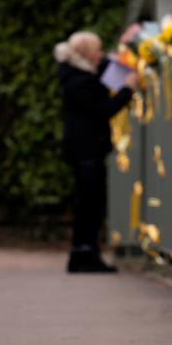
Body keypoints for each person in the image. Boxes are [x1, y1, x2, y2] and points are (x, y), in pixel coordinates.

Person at [54, 29, 136, 273]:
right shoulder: (79, 81)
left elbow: (103, 74)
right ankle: (86, 254)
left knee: (88, 203)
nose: (101, 54)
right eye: (97, 50)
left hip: (84, 148)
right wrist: (128, 89)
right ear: (88, 54)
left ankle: (82, 253)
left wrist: (119, 57)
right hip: (86, 149)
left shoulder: (76, 75)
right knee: (91, 203)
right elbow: (105, 109)